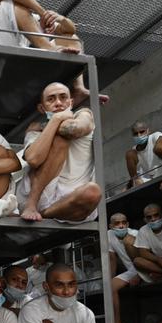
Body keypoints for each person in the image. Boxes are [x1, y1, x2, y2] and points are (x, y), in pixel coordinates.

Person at [18, 82, 101, 223]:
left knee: (93, 192)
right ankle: (31, 205)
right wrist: (56, 119)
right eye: (51, 99)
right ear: (42, 108)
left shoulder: (83, 114)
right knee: (60, 139)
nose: (58, 103)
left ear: (71, 102)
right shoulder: (34, 133)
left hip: (73, 202)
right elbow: (33, 159)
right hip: (39, 197)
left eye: (63, 98)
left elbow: (72, 129)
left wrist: (52, 123)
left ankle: (44, 215)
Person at [125, 121, 162, 187]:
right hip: (150, 180)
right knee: (129, 154)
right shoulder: (134, 151)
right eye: (136, 134)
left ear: (148, 131)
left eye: (142, 132)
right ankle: (135, 182)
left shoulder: (155, 136)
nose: (139, 135)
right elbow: (137, 173)